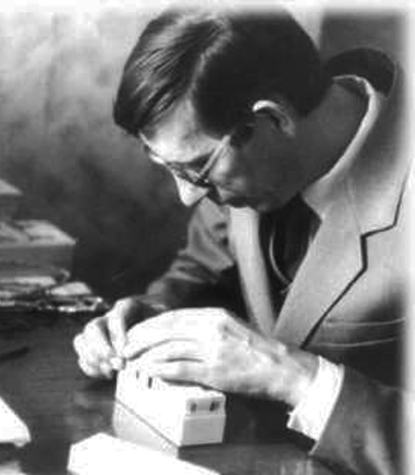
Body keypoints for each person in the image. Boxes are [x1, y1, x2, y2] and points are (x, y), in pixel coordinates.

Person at [73, 6, 409, 475]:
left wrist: (296, 378)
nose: (188, 196)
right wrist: (154, 316)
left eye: (196, 169)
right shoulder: (246, 162)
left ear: (273, 119)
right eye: (170, 169)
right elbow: (205, 269)